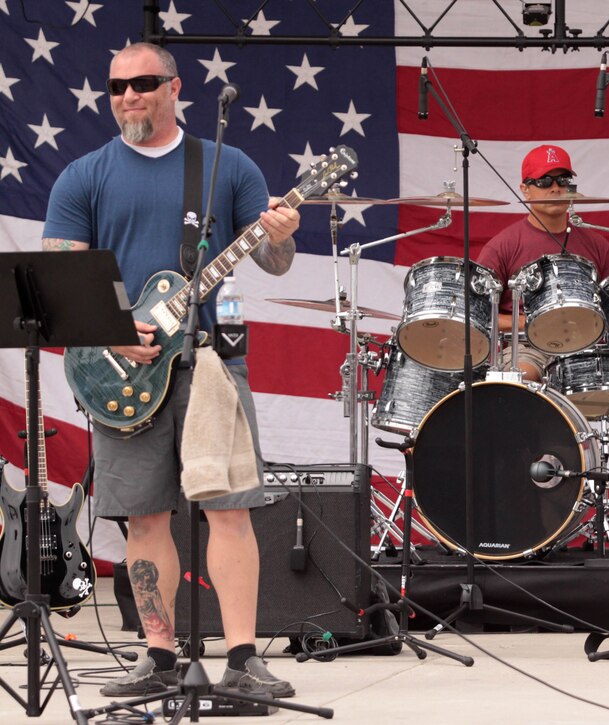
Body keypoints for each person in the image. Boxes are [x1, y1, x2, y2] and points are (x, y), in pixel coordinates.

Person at [42, 43, 300, 698]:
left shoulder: (226, 165)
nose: (129, 96)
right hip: (123, 373)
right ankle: (158, 657)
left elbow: (274, 262)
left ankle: (242, 659)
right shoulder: (83, 176)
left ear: (175, 87)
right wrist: (110, 329)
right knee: (145, 518)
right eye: (117, 87)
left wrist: (281, 234)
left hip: (211, 363)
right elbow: (61, 278)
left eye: (143, 83)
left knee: (231, 510)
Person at [476, 145, 609, 472]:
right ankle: (528, 481)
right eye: (545, 181)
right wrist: (534, 323)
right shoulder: (504, 245)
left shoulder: (596, 243)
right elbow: (479, 315)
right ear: (525, 189)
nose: (556, 188)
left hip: (591, 348)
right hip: (530, 347)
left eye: (563, 180)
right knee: (517, 384)